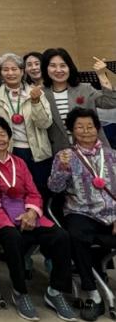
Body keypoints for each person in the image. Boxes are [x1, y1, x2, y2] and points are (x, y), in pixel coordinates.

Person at [0, 116, 75, 321]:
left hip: (24, 211)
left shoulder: (19, 162)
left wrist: (31, 212)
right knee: (13, 238)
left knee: (61, 237)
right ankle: (20, 292)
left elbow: (34, 193)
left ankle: (54, 291)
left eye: (3, 134)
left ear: (9, 138)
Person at [49, 108, 116, 321]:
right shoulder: (65, 156)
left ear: (97, 128)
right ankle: (93, 294)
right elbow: (55, 188)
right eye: (80, 127)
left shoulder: (112, 155)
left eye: (90, 126)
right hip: (81, 212)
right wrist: (63, 168)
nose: (86, 131)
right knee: (76, 236)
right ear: (72, 130)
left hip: (112, 213)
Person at [0, 53, 53, 197]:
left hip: (37, 151)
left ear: (22, 71)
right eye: (5, 70)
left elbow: (45, 124)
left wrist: (36, 102)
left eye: (14, 69)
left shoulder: (36, 93)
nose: (10, 73)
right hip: (9, 151)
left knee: (40, 190)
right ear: (0, 73)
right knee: (15, 191)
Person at [41, 48, 116, 153]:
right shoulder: (41, 94)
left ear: (69, 67)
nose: (58, 70)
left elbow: (111, 102)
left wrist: (101, 74)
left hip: (93, 149)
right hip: (61, 152)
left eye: (63, 65)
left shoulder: (85, 89)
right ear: (46, 68)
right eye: (53, 66)